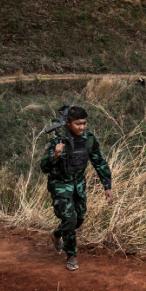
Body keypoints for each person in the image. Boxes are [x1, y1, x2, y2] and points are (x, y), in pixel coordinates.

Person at [41, 106, 113, 271]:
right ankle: (71, 255)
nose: (81, 127)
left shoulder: (89, 139)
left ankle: (57, 234)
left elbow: (99, 161)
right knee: (70, 219)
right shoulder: (57, 140)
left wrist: (107, 185)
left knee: (79, 218)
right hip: (59, 185)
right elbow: (44, 167)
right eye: (77, 124)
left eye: (84, 123)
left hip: (78, 185)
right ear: (68, 123)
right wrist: (55, 156)